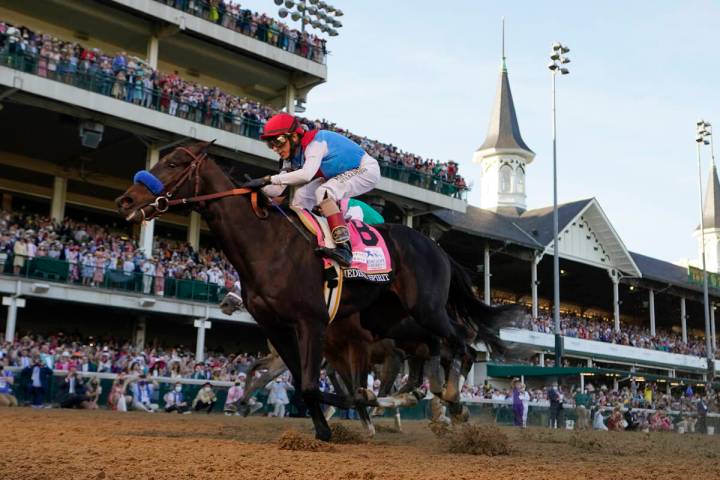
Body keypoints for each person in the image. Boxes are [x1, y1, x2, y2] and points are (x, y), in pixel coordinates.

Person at [248, 113, 381, 267]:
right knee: (301, 196)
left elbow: (306, 175)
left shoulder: (315, 143)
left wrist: (267, 179)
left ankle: (344, 247)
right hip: (336, 175)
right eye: (270, 144)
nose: (275, 148)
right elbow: (277, 189)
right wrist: (253, 188)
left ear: (294, 137)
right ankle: (302, 241)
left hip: (365, 169)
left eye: (279, 141)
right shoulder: (288, 158)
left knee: (324, 192)